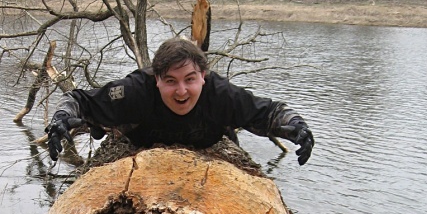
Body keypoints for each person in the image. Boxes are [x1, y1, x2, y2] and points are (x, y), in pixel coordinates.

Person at [45, 37, 314, 165]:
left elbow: (269, 113)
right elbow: (80, 100)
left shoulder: (221, 95)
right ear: (157, 79)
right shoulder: (137, 91)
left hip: (209, 147)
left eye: (190, 79)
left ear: (203, 76)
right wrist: (60, 121)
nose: (182, 91)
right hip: (139, 149)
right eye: (171, 81)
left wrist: (297, 127)